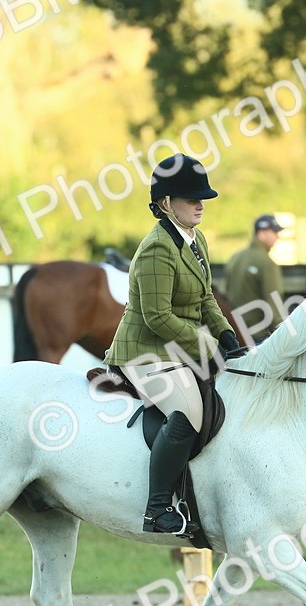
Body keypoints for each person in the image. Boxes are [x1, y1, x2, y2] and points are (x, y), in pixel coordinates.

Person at [104, 154, 242, 535]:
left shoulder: (196, 240)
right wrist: (204, 345)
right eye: (190, 198)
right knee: (188, 413)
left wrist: (226, 335)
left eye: (203, 197)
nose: (200, 204)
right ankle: (157, 508)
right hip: (144, 352)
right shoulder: (156, 249)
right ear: (165, 203)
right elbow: (157, 317)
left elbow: (205, 298)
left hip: (176, 349)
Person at [224, 214, 286, 339]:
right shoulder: (267, 263)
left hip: (235, 333)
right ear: (261, 233)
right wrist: (284, 334)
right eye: (274, 232)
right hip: (258, 335)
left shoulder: (235, 257)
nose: (277, 236)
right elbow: (274, 302)